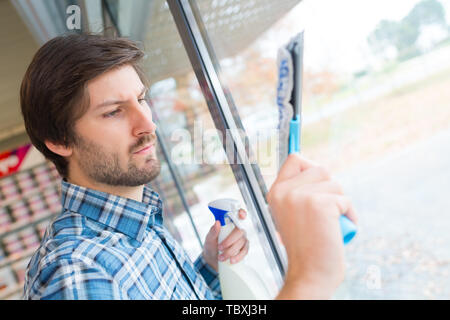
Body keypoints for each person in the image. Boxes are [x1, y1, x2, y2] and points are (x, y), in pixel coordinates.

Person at [20, 34, 357, 300]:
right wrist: (311, 278)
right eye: (113, 112)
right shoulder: (75, 273)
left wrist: (208, 267)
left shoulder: (137, 219)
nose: (148, 125)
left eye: (140, 99)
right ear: (59, 141)